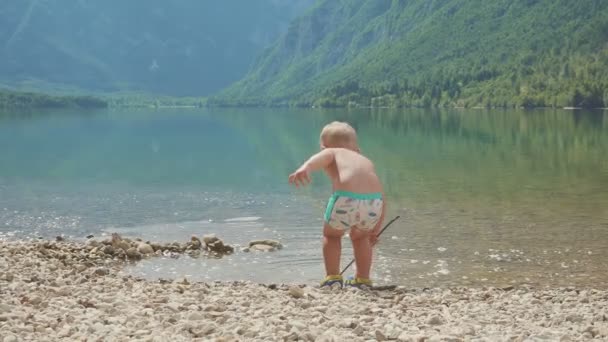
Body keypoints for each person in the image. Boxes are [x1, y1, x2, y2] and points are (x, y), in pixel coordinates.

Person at [288, 121, 386, 288]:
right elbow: (382, 196)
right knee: (362, 238)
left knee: (332, 235)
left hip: (346, 199)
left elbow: (319, 159)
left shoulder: (332, 152)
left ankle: (333, 277)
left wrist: (306, 167)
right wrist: (376, 228)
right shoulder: (366, 161)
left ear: (323, 147)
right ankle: (363, 280)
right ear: (357, 149)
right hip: (374, 202)